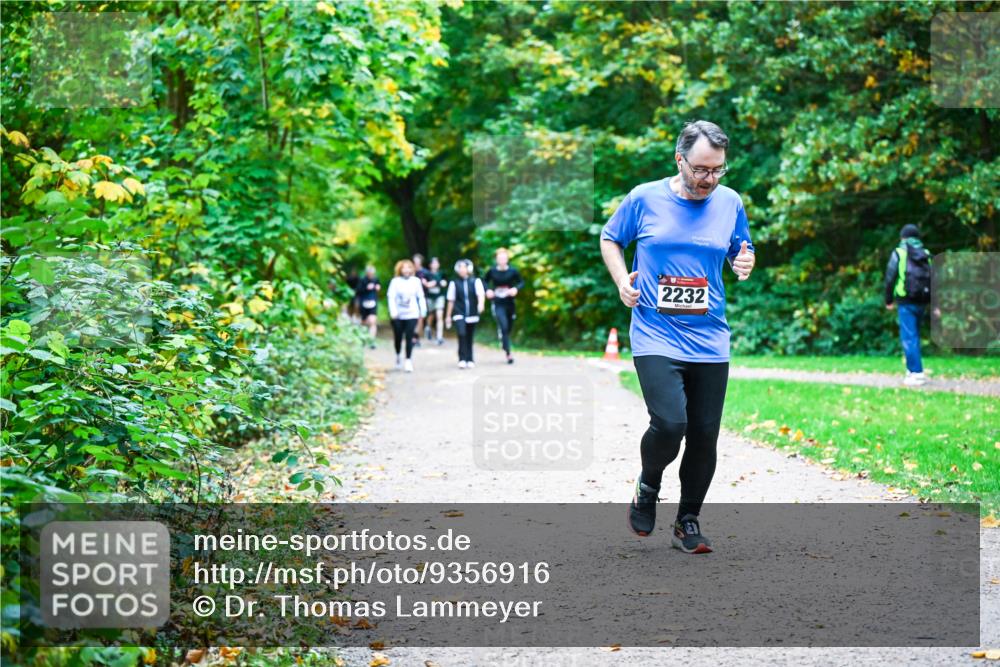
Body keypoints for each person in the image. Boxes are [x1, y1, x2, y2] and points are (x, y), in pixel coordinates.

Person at [600, 120, 755, 554]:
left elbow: (741, 248)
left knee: (705, 434)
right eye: (701, 170)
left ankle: (688, 521)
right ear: (680, 160)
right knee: (671, 423)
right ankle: (648, 484)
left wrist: (745, 262)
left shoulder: (729, 202)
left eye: (718, 170)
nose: (709, 179)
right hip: (654, 332)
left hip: (710, 338)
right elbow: (610, 238)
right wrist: (621, 282)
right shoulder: (644, 198)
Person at [883, 224, 932, 386]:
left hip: (905, 300)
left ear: (903, 237)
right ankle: (912, 370)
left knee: (909, 337)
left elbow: (891, 277)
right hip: (922, 300)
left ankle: (917, 373)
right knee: (915, 335)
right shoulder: (925, 254)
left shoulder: (900, 252)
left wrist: (888, 299)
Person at [484, 248, 524, 364]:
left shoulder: (513, 271)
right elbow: (484, 281)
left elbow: (521, 282)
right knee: (504, 326)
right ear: (496, 260)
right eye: (499, 258)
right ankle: (508, 353)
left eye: (504, 258)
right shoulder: (492, 271)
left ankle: (504, 340)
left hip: (510, 303)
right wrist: (488, 291)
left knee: (509, 327)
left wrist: (515, 289)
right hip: (498, 302)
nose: (502, 260)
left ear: (507, 259)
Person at [387, 259, 427, 372]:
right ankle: (398, 355)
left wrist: (422, 310)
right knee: (398, 337)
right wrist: (393, 311)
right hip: (398, 315)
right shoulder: (395, 282)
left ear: (412, 269)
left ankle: (408, 360)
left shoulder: (416, 281)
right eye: (404, 267)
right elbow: (391, 297)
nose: (406, 270)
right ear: (400, 269)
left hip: (412, 314)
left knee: (410, 337)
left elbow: (420, 296)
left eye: (409, 267)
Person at [445, 259, 485, 369]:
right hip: (459, 313)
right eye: (460, 267)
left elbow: (480, 295)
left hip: (472, 313)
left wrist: (481, 304)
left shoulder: (475, 281)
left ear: (469, 269)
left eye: (464, 267)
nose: (462, 269)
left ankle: (470, 359)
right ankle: (462, 358)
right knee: (462, 334)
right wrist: (448, 316)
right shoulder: (454, 283)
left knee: (469, 336)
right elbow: (451, 300)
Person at [422, 256, 447, 345]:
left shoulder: (442, 273)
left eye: (436, 263)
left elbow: (444, 283)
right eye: (433, 263)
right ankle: (428, 327)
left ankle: (439, 337)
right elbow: (426, 284)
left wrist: (435, 283)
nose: (435, 265)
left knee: (439, 315)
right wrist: (436, 283)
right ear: (430, 265)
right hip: (430, 297)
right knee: (431, 315)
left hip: (439, 296)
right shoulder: (426, 274)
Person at [355, 265, 380, 349]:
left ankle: (371, 341)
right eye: (369, 273)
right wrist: (366, 288)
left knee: (372, 321)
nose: (371, 275)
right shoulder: (362, 280)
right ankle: (363, 338)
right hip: (364, 303)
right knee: (364, 322)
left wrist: (377, 288)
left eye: (372, 273)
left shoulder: (376, 279)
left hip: (373, 302)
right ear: (367, 273)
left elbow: (378, 289)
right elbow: (357, 291)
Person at [411, 253, 427, 349]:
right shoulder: (409, 271)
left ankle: (417, 338)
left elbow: (432, 282)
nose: (416, 263)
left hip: (421, 298)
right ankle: (412, 337)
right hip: (411, 299)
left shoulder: (425, 272)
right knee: (412, 319)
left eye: (418, 261)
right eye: (414, 261)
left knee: (420, 319)